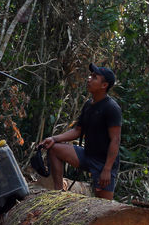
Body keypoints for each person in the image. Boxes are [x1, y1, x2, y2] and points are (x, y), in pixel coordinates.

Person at [39, 64, 121, 200]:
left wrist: (107, 169)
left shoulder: (111, 108)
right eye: (90, 76)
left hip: (104, 163)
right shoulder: (89, 105)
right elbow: (77, 130)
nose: (89, 79)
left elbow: (115, 140)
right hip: (87, 155)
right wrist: (54, 138)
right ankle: (58, 196)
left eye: (94, 77)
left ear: (104, 85)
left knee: (103, 206)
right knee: (54, 149)